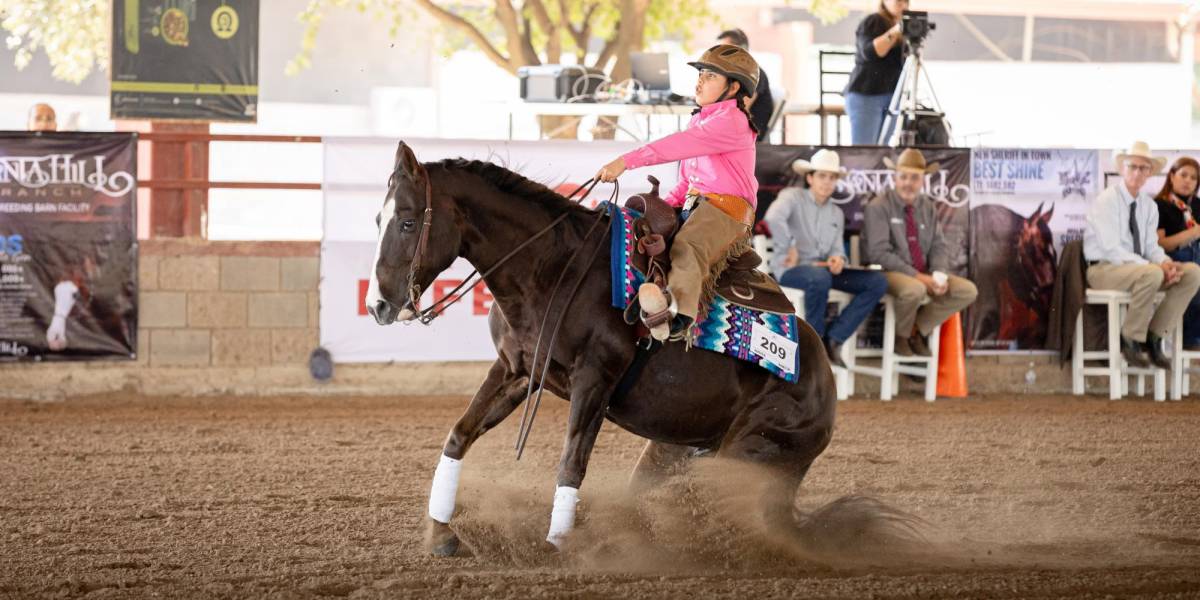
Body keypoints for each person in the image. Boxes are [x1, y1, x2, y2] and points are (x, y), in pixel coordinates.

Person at [596, 44, 760, 341]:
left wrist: (626, 161)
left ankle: (678, 320)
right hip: (699, 207)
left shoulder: (732, 121)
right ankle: (646, 298)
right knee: (641, 231)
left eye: (710, 76)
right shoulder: (702, 120)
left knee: (688, 245)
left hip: (727, 212)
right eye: (701, 74)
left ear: (733, 87)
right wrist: (661, 207)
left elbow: (674, 146)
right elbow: (687, 179)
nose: (699, 81)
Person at [765, 149, 888, 366]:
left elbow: (837, 249)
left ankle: (834, 338)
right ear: (810, 178)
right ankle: (815, 345)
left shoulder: (836, 213)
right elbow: (773, 217)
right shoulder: (792, 196)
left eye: (832, 177)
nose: (827, 182)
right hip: (792, 271)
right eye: (822, 176)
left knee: (877, 282)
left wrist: (838, 258)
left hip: (823, 273)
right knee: (818, 278)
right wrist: (790, 244)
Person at [1085, 142, 1200, 368]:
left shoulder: (1148, 205)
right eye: (1133, 166)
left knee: (1193, 273)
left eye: (1143, 168)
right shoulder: (1107, 200)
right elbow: (1111, 248)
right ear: (1122, 169)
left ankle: (1155, 337)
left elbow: (1151, 246)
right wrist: (1156, 267)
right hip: (1104, 269)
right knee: (1152, 274)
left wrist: (1166, 263)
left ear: (1150, 173)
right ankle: (1130, 338)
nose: (1138, 172)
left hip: (1139, 271)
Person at [863, 148, 977, 356]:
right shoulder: (878, 206)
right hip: (888, 272)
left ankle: (916, 329)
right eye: (903, 176)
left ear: (923, 180)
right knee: (914, 289)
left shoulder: (927, 207)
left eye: (914, 178)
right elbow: (878, 253)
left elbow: (938, 245)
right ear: (895, 178)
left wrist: (939, 274)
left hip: (922, 273)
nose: (908, 183)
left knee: (967, 290)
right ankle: (902, 336)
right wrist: (920, 277)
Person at [845, 0, 908, 145]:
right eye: (898, 1)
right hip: (866, 94)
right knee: (865, 150)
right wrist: (896, 30)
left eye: (906, 1)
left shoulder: (906, 30)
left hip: (892, 96)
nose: (902, 5)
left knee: (881, 151)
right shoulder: (874, 21)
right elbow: (871, 53)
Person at [1154, 156, 1200, 350]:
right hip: (1174, 258)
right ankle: (1191, 341)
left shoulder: (1198, 205)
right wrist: (1190, 234)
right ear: (1172, 176)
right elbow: (1160, 244)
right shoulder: (1159, 205)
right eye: (1183, 175)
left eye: (1193, 178)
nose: (1188, 180)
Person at [717, 28, 775, 142]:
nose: (719, 55)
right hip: (737, 130)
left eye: (725, 50)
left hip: (749, 135)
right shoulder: (736, 74)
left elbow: (740, 109)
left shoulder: (753, 74)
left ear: (742, 50)